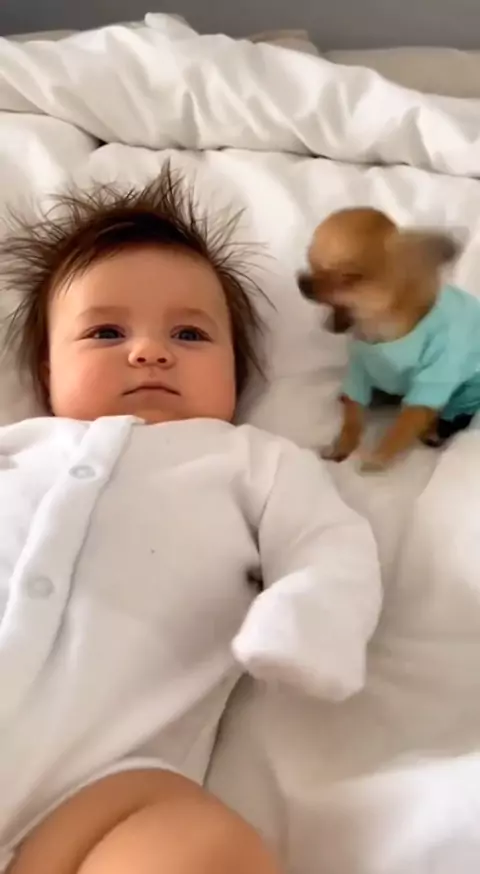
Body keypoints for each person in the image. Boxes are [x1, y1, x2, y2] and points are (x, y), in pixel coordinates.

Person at [0, 163, 382, 874]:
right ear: (48, 372)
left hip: (101, 791)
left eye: (190, 334)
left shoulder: (249, 461)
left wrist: (310, 620)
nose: (150, 350)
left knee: (203, 846)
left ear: (236, 372)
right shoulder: (21, 447)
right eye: (106, 332)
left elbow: (328, 548)